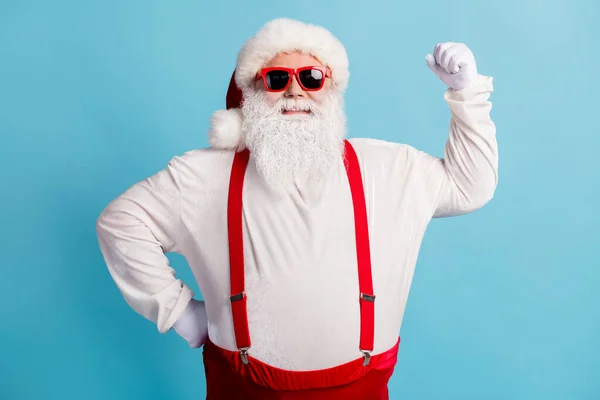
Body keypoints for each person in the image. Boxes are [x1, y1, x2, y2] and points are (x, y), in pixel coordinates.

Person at [96, 17, 498, 399]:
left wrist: (467, 94)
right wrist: (180, 312)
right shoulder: (203, 175)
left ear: (332, 90)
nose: (295, 91)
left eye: (311, 77)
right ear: (250, 93)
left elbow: (468, 188)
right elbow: (121, 223)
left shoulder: (388, 167)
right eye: (276, 80)